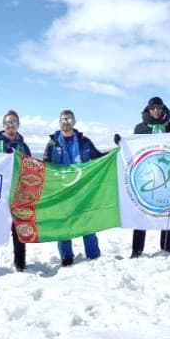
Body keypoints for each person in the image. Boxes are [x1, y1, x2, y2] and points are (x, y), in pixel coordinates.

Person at [114, 96, 170, 258]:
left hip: (168, 175)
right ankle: (136, 251)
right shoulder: (140, 128)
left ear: (163, 109)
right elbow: (134, 149)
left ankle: (165, 249)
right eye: (153, 108)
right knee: (141, 211)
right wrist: (121, 142)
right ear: (148, 109)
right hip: (146, 175)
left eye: (159, 108)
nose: (156, 111)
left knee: (167, 211)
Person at [43, 109, 104, 266]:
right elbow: (45, 166)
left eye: (69, 120)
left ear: (75, 122)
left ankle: (94, 256)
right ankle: (66, 258)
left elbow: (99, 157)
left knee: (86, 222)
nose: (66, 123)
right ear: (59, 122)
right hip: (61, 191)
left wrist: (117, 151)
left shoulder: (84, 142)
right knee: (63, 224)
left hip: (82, 189)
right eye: (63, 120)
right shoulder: (52, 143)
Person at [0, 109, 31, 271]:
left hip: (18, 194)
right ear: (3, 125)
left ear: (18, 125)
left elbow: (31, 168)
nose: (11, 126)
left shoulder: (23, 146)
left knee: (18, 230)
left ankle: (20, 264)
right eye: (8, 123)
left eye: (14, 123)